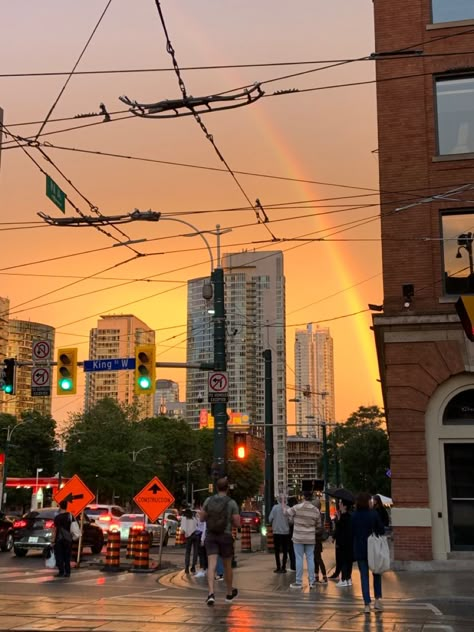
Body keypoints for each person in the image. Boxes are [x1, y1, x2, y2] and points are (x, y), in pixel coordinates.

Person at [201, 477, 240, 606]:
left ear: (216, 488)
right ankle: (229, 593)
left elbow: (202, 518)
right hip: (226, 536)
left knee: (211, 564)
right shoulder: (232, 503)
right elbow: (237, 522)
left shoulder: (208, 500)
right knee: (227, 565)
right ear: (227, 488)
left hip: (211, 535)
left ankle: (211, 593)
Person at [352, 491, 385, 613]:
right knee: (376, 573)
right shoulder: (374, 514)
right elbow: (381, 529)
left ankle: (366, 604)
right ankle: (377, 600)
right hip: (373, 549)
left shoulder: (354, 516)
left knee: (364, 576)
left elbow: (352, 533)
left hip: (360, 549)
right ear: (367, 502)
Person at [286, 491, 321, 589]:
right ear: (312, 498)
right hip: (310, 538)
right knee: (310, 559)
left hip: (298, 538)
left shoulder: (297, 507)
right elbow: (319, 525)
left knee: (299, 559)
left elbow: (286, 513)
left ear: (303, 497)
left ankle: (298, 582)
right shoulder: (316, 510)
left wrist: (285, 506)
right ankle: (312, 582)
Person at [334, 499, 353, 587]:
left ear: (345, 506)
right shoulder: (350, 516)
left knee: (343, 560)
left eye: (341, 503)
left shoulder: (343, 517)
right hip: (349, 542)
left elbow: (339, 529)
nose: (339, 504)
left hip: (342, 542)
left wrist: (338, 518)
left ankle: (344, 579)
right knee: (348, 561)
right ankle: (348, 579)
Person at [268, 498, 290, 573]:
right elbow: (291, 521)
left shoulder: (274, 508)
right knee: (285, 551)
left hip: (276, 532)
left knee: (277, 551)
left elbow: (270, 519)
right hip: (285, 532)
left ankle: (278, 567)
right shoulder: (288, 508)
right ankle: (283, 567)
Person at [52, 500, 73, 578]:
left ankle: (61, 571)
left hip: (59, 538)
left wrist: (53, 540)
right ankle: (68, 572)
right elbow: (73, 527)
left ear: (60, 506)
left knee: (59, 555)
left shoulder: (57, 517)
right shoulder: (70, 516)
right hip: (68, 538)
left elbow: (55, 529)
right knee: (67, 556)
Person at [313, 499, 327, 583]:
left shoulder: (318, 516)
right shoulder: (319, 515)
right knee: (316, 558)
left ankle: (324, 576)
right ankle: (316, 575)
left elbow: (319, 529)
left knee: (318, 558)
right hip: (317, 540)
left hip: (316, 540)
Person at [181, 507, 199, 574]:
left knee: (188, 552)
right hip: (196, 535)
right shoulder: (194, 518)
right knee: (195, 552)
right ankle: (193, 567)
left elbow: (183, 530)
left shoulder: (184, 518)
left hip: (189, 536)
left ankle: (186, 568)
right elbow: (197, 525)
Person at [286, 496, 297, 572]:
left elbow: (291, 522)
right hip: (298, 533)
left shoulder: (291, 510)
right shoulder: (298, 509)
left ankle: (293, 566)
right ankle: (295, 566)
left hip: (292, 533)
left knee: (291, 550)